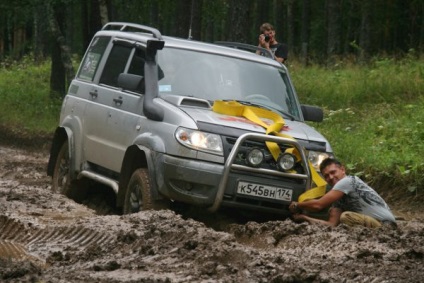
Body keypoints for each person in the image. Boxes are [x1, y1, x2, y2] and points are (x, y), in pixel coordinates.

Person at [289, 158, 397, 228]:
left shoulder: (347, 181)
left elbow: (318, 205)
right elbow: (331, 225)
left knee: (346, 217)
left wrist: (298, 204)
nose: (330, 177)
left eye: (333, 172)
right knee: (343, 218)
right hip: (376, 223)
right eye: (326, 176)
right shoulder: (338, 197)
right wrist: (305, 218)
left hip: (387, 225)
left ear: (343, 170)